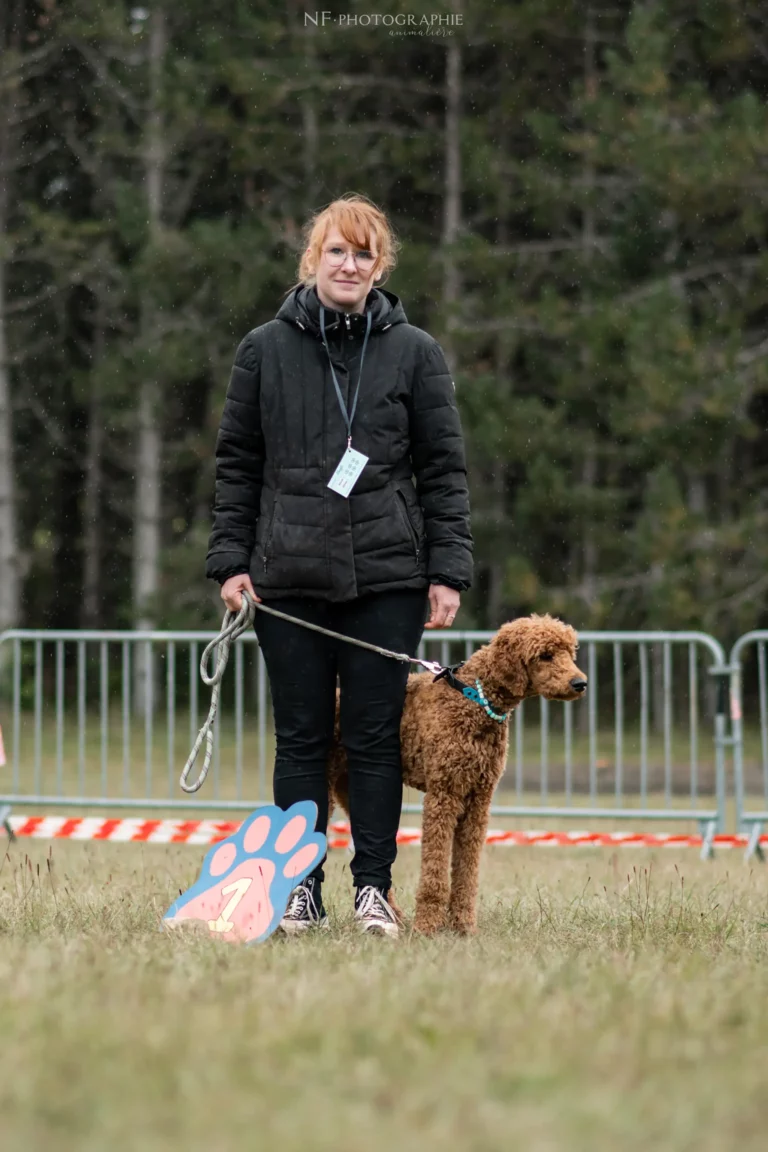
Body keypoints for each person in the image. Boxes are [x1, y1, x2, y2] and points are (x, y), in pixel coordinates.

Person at [205, 193, 472, 937]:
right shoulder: (263, 348)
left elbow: (443, 470)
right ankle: (299, 888)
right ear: (312, 260)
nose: (349, 264)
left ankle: (373, 889)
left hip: (387, 577)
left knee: (373, 737)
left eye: (363, 253)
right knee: (302, 741)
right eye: (336, 251)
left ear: (378, 265)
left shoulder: (416, 352)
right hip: (287, 577)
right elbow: (237, 466)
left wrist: (447, 570)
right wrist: (230, 561)